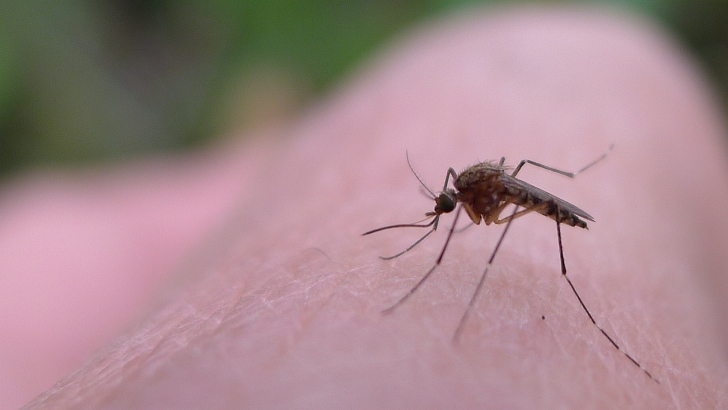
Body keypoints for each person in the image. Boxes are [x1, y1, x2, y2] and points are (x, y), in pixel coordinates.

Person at [4, 6, 727, 409]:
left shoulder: (484, 190)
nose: (451, 208)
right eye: (451, 205)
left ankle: (576, 253)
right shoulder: (463, 186)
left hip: (535, 186)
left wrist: (466, 234)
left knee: (525, 194)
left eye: (449, 205)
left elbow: (500, 184)